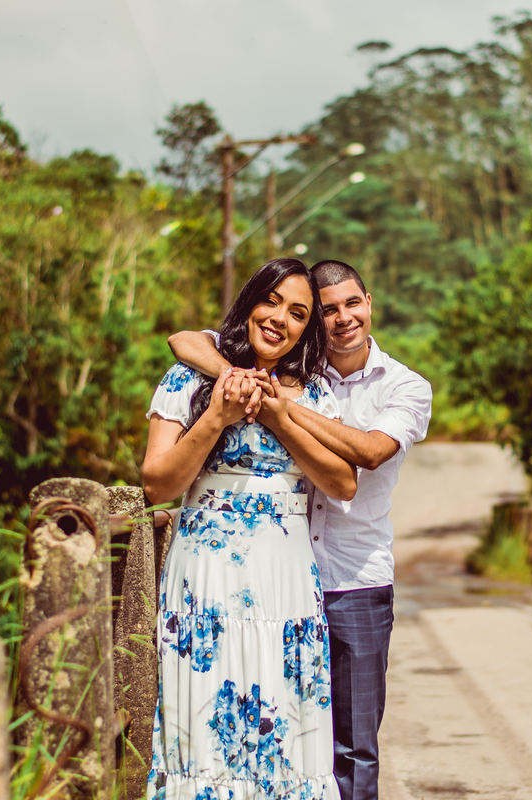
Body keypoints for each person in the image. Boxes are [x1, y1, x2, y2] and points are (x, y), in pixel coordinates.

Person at [168, 260, 433, 800]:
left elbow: (368, 454)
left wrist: (272, 403)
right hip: (279, 581)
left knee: (353, 746)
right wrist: (240, 379)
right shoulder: (284, 363)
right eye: (328, 310)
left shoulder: (402, 385)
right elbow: (186, 340)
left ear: (370, 303)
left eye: (351, 304)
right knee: (286, 736)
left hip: (352, 577)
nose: (342, 319)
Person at [142, 258, 356, 800]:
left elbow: (342, 481)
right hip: (205, 573)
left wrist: (277, 416)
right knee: (200, 717)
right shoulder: (189, 378)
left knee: (284, 719)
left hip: (282, 577)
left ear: (307, 329)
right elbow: (157, 486)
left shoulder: (312, 394)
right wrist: (218, 415)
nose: (280, 318)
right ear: (249, 302)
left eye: (298, 313)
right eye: (272, 301)